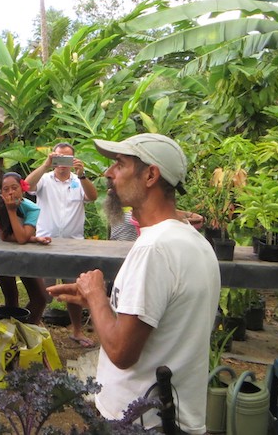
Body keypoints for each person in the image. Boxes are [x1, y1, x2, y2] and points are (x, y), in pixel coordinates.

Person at [48, 133, 220, 434]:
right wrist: (95, 301)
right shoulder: (193, 240)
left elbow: (121, 352)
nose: (108, 173)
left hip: (139, 422)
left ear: (151, 174)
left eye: (120, 164)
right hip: (170, 420)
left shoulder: (154, 249)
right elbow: (162, 324)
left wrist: (97, 294)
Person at [25, 142, 97, 347]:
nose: (62, 163)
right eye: (58, 157)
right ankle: (34, 329)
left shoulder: (78, 181)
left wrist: (82, 174)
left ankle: (76, 330)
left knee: (74, 290)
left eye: (66, 158)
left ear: (73, 160)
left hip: (74, 243)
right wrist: (45, 165)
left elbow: (92, 197)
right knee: (42, 291)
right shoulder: (45, 179)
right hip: (46, 241)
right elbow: (27, 186)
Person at [0, 172, 51, 325]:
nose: (10, 192)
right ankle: (10, 336)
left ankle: (26, 330)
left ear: (22, 189)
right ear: (1, 192)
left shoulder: (32, 209)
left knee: (40, 298)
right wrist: (32, 238)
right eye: (5, 189)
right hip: (1, 254)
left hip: (25, 255)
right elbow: (5, 236)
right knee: (11, 297)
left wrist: (12, 212)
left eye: (14, 187)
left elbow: (22, 239)